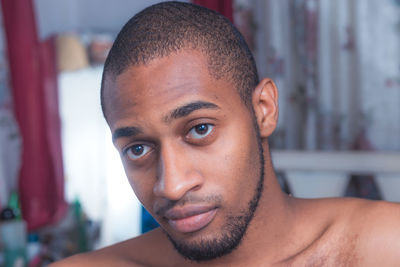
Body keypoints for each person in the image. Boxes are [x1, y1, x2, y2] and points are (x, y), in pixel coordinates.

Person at [52, 1, 400, 266]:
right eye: (138, 149)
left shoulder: (383, 246)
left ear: (263, 109)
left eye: (200, 129)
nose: (171, 186)